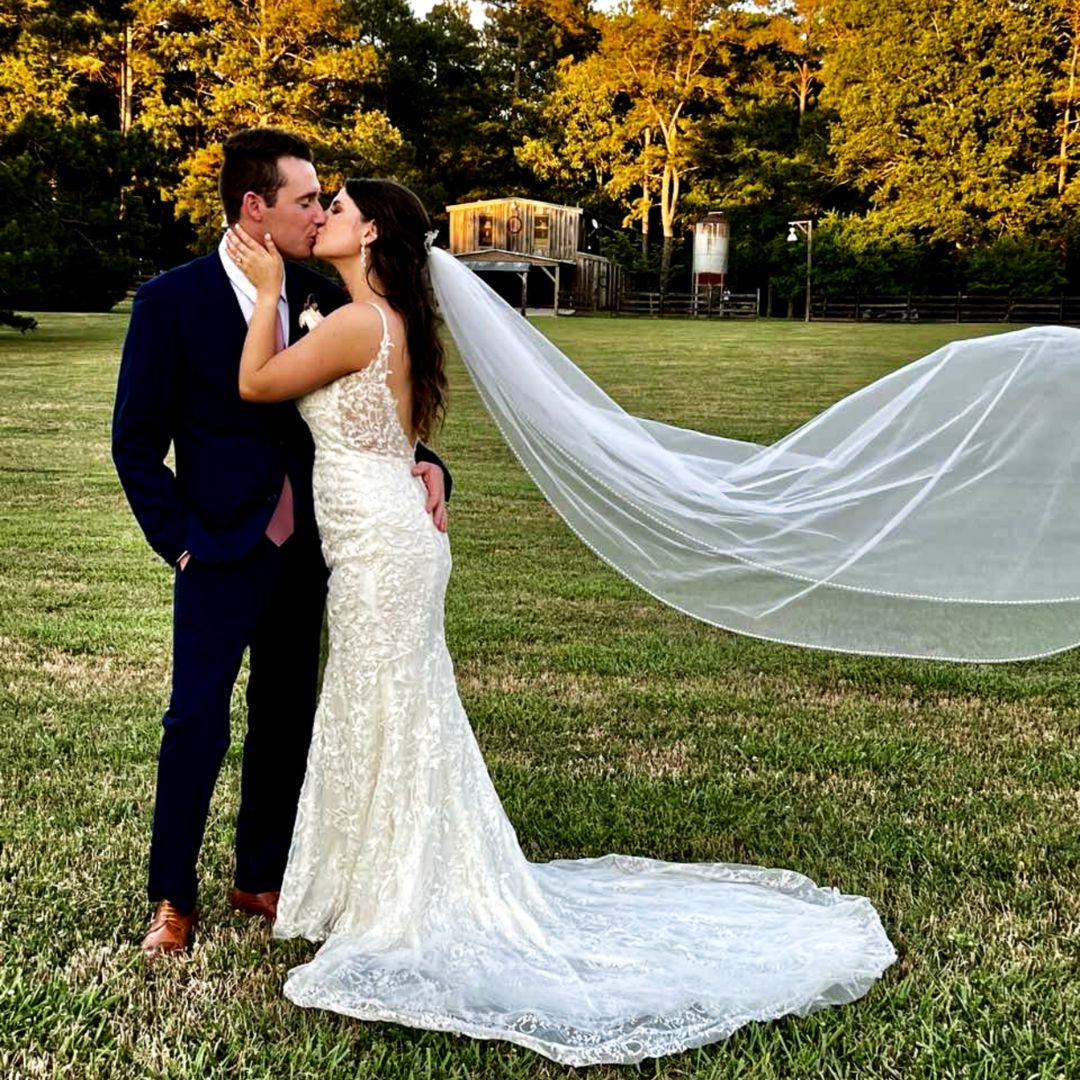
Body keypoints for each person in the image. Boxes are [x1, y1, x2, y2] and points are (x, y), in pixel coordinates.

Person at [225, 178, 895, 1067]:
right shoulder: (392, 324)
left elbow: (257, 381)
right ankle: (380, 881)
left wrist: (269, 295)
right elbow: (398, 440)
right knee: (394, 708)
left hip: (382, 548)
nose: (326, 218)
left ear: (373, 230)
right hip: (386, 535)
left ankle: (401, 893)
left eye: (339, 208)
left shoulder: (355, 322)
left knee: (387, 705)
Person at [111, 129, 450, 958]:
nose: (317, 212)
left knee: (287, 715)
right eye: (306, 200)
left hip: (316, 552)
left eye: (325, 202)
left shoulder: (325, 293)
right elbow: (134, 443)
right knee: (196, 720)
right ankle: (172, 898)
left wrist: (431, 464)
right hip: (219, 548)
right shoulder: (172, 302)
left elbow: (378, 402)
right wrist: (180, 543)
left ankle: (261, 873)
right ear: (254, 207)